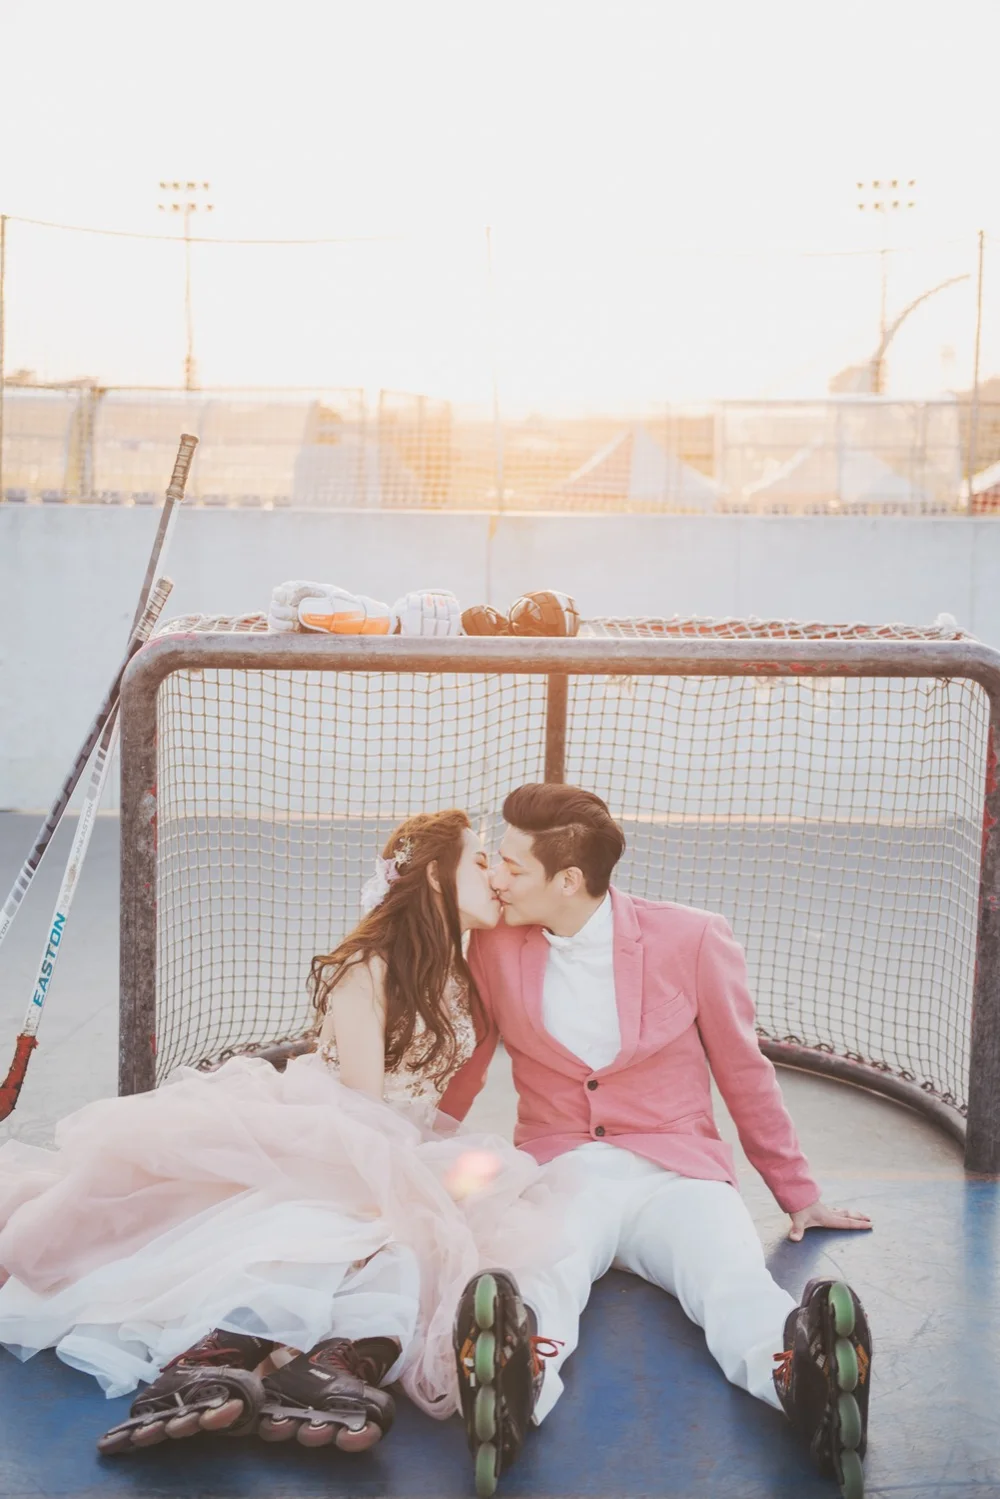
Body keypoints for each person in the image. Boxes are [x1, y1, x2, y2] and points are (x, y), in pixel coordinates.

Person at [0, 810, 565, 1458]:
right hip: (331, 1132)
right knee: (345, 1229)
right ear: (435, 876)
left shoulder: (459, 975)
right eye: (480, 860)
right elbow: (361, 1118)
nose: (493, 875)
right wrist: (414, 1185)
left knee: (429, 1239)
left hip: (394, 1142)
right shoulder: (368, 967)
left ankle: (334, 1357)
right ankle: (223, 1349)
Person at [440, 784, 874, 1499]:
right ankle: (516, 1385)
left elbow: (742, 1069)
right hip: (562, 1167)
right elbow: (469, 1064)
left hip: (678, 1173)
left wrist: (797, 1192)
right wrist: (406, 1158)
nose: (497, 878)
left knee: (730, 1280)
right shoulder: (493, 945)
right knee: (541, 1275)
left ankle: (807, 1382)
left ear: (568, 880)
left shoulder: (692, 938)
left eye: (513, 865)